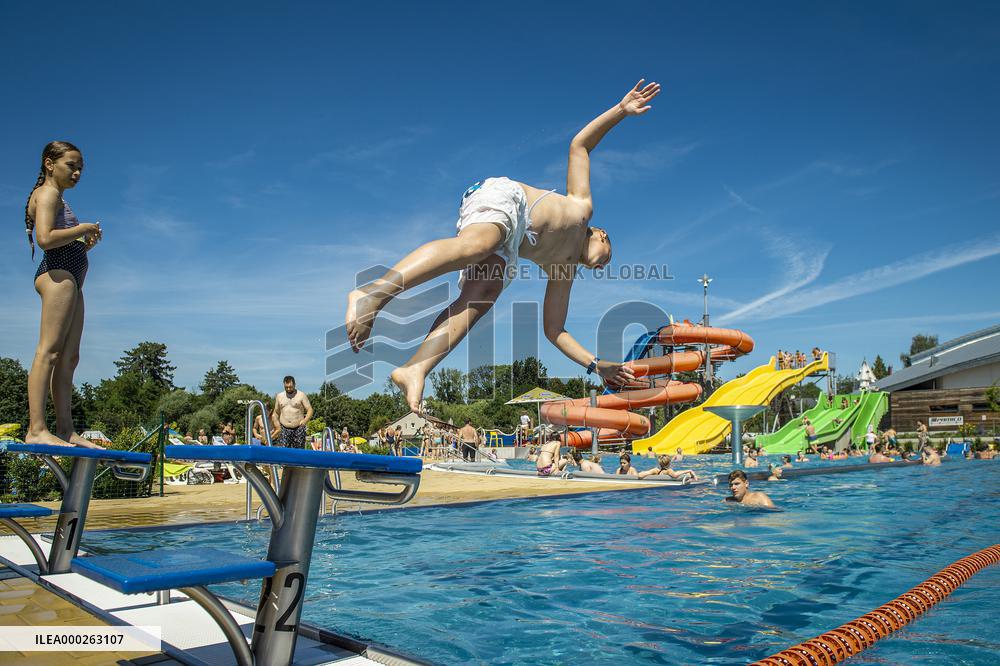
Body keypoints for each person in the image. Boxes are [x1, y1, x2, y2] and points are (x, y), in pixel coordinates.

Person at [344, 82, 662, 413]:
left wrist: (598, 365)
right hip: (508, 201)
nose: (602, 267)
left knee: (483, 293)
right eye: (607, 260)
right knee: (479, 244)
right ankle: (375, 293)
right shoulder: (582, 208)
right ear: (601, 235)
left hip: (509, 242)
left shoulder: (563, 271)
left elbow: (555, 331)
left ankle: (415, 368)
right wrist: (620, 111)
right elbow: (580, 146)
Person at [24, 142, 103, 448]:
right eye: (71, 165)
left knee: (70, 357)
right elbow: (45, 239)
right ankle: (36, 428)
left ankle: (66, 430)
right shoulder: (47, 194)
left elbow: (60, 240)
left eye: (80, 166)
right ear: (49, 164)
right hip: (57, 275)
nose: (78, 172)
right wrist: (82, 227)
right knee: (50, 351)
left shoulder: (58, 197)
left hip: (72, 276)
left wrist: (85, 245)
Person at [271, 376, 313, 448]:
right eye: (286, 387)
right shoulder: (279, 396)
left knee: (298, 451)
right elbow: (276, 413)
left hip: (298, 427)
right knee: (283, 450)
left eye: (290, 387)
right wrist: (276, 426)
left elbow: (310, 410)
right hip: (284, 427)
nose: (288, 389)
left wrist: (305, 420)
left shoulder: (301, 395)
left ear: (294, 384)